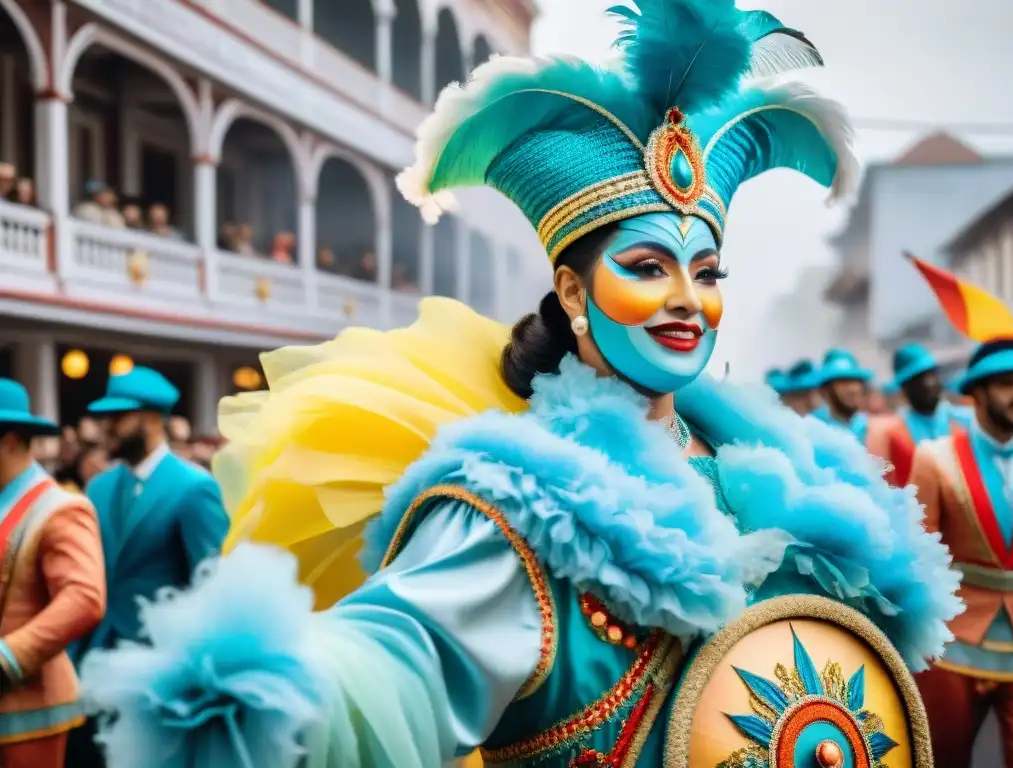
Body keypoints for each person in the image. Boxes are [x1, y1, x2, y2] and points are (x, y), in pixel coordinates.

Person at [79, 4, 960, 766]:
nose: (688, 301)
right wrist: (269, 698)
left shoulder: (784, 477)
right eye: (649, 267)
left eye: (708, 271)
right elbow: (403, 656)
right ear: (574, 292)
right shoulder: (521, 503)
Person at [65, 366, 229, 768]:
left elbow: (211, 586)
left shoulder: (194, 487)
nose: (105, 427)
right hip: (93, 663)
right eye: (104, 417)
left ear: (152, 419)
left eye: (117, 417)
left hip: (159, 673)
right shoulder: (99, 487)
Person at [904, 255, 1013, 767]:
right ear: (975, 394)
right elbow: (917, 553)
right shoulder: (935, 459)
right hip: (952, 641)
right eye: (1004, 383)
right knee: (941, 758)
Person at [0, 379, 105, 768]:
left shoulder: (59, 508)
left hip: (27, 713)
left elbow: (84, 598)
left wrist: (8, 658)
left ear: (11, 440)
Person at [872, 343, 970, 487]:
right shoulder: (895, 434)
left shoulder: (965, 421)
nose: (928, 384)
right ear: (904, 388)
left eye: (931, 375)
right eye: (918, 379)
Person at [813, 348, 874, 442]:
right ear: (825, 391)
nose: (853, 389)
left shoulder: (869, 428)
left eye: (856, 381)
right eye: (844, 382)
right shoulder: (815, 432)